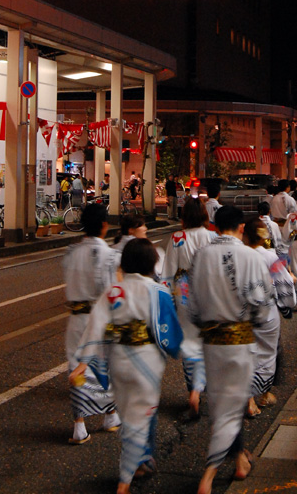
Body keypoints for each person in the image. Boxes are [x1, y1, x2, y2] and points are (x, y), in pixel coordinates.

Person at [69, 238, 183, 494]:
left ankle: (142, 460)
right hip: (147, 362)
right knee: (140, 417)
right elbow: (170, 334)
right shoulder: (159, 292)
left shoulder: (113, 292)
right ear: (153, 263)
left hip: (119, 362)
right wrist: (179, 349)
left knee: (132, 416)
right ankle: (125, 478)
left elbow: (94, 328)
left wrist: (82, 363)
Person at [188, 205, 274, 493]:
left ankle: (240, 461)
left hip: (211, 343)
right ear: (240, 228)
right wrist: (256, 322)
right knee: (230, 408)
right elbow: (261, 304)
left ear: (214, 226)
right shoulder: (250, 256)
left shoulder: (201, 256)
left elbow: (192, 304)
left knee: (224, 406)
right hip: (240, 342)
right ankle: (208, 476)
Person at [64, 203, 122, 445]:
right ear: (104, 225)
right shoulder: (109, 255)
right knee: (106, 368)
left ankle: (80, 426)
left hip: (76, 319)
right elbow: (112, 292)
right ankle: (110, 416)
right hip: (100, 318)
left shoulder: (71, 252)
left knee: (77, 369)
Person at [161, 196, 212, 415]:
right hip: (206, 290)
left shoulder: (176, 237)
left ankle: (193, 388)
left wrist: (166, 303)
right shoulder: (211, 237)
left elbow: (167, 274)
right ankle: (201, 387)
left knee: (189, 340)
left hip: (182, 291)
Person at [244, 217, 296, 416]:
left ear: (245, 235)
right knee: (266, 353)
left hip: (242, 312)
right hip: (266, 312)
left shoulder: (238, 256)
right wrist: (287, 306)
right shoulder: (270, 257)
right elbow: (285, 284)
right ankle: (263, 395)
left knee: (246, 352)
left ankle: (249, 400)